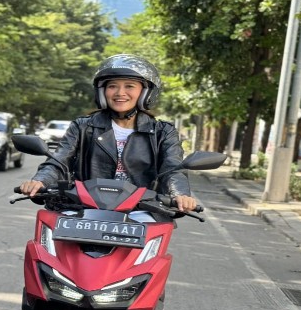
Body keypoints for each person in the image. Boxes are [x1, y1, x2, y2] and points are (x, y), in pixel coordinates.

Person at [19, 53, 197, 212]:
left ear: (145, 93)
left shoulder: (163, 132)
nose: (120, 93)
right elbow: (59, 160)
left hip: (141, 212)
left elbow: (172, 169)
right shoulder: (83, 127)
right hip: (85, 208)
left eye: (129, 86)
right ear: (102, 92)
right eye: (112, 86)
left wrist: (180, 194)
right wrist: (40, 180)